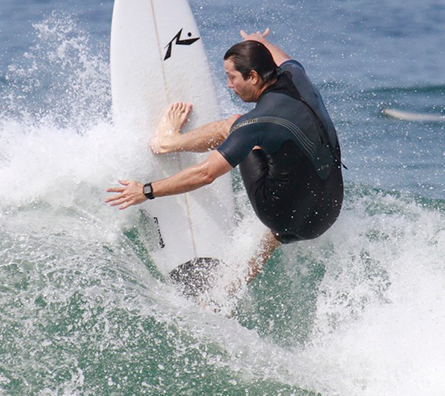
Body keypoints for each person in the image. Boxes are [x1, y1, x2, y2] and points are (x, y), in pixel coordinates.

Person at [105, 29, 344, 283]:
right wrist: (258, 42)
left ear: (253, 76)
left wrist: (145, 191)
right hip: (329, 212)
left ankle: (169, 141)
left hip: (280, 214)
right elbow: (281, 56)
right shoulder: (297, 76)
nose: (229, 85)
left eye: (232, 78)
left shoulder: (256, 123)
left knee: (234, 124)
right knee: (285, 146)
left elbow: (206, 173)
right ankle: (228, 291)